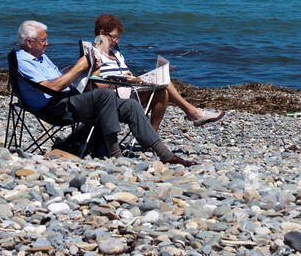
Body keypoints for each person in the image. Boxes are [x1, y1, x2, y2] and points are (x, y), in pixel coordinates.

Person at [15, 20, 193, 166]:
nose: (47, 43)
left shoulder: (41, 57)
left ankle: (165, 155)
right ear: (29, 42)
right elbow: (51, 88)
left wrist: (84, 71)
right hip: (53, 107)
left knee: (130, 105)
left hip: (69, 99)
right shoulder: (23, 60)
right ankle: (115, 153)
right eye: (42, 40)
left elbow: (58, 78)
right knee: (106, 95)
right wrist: (79, 68)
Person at [85, 13, 224, 132]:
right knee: (164, 83)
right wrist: (125, 80)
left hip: (127, 91)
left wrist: (131, 78)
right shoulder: (92, 54)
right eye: (114, 37)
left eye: (118, 38)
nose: (116, 41)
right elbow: (95, 85)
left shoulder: (116, 54)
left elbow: (125, 76)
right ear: (102, 33)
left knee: (163, 90)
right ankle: (193, 113)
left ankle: (151, 136)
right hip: (111, 99)